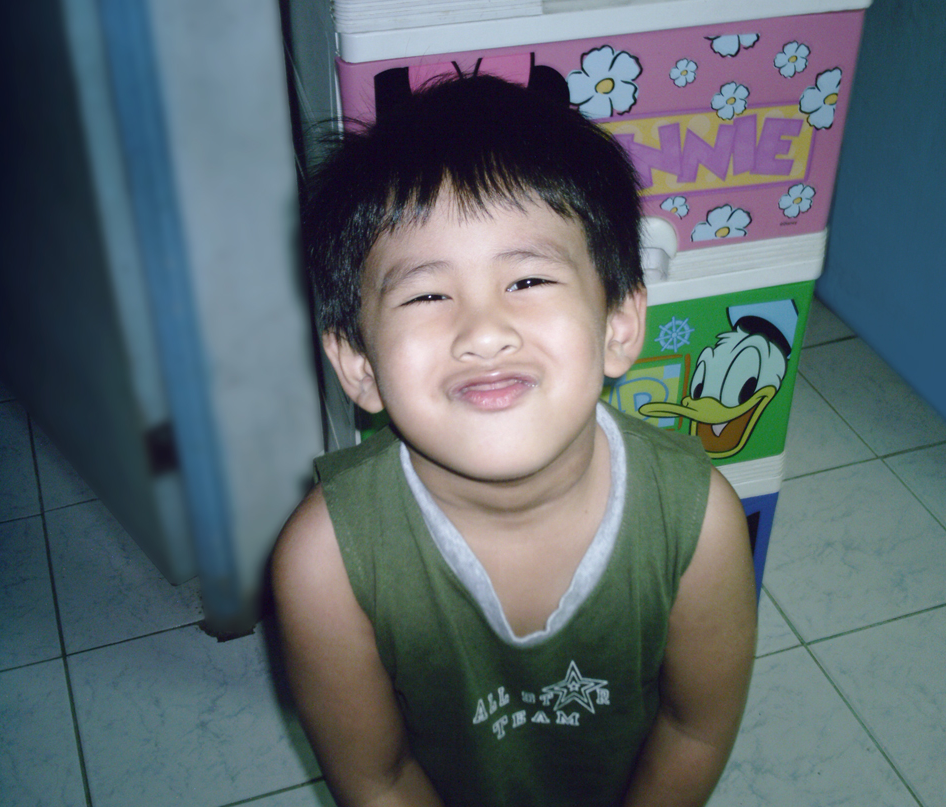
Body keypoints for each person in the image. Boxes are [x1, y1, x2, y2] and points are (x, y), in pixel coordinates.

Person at [271, 73, 757, 807]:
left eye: (528, 279)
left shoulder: (698, 521)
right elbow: (377, 778)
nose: (485, 330)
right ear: (360, 367)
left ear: (619, 326)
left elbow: (695, 731)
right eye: (427, 294)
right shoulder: (324, 565)